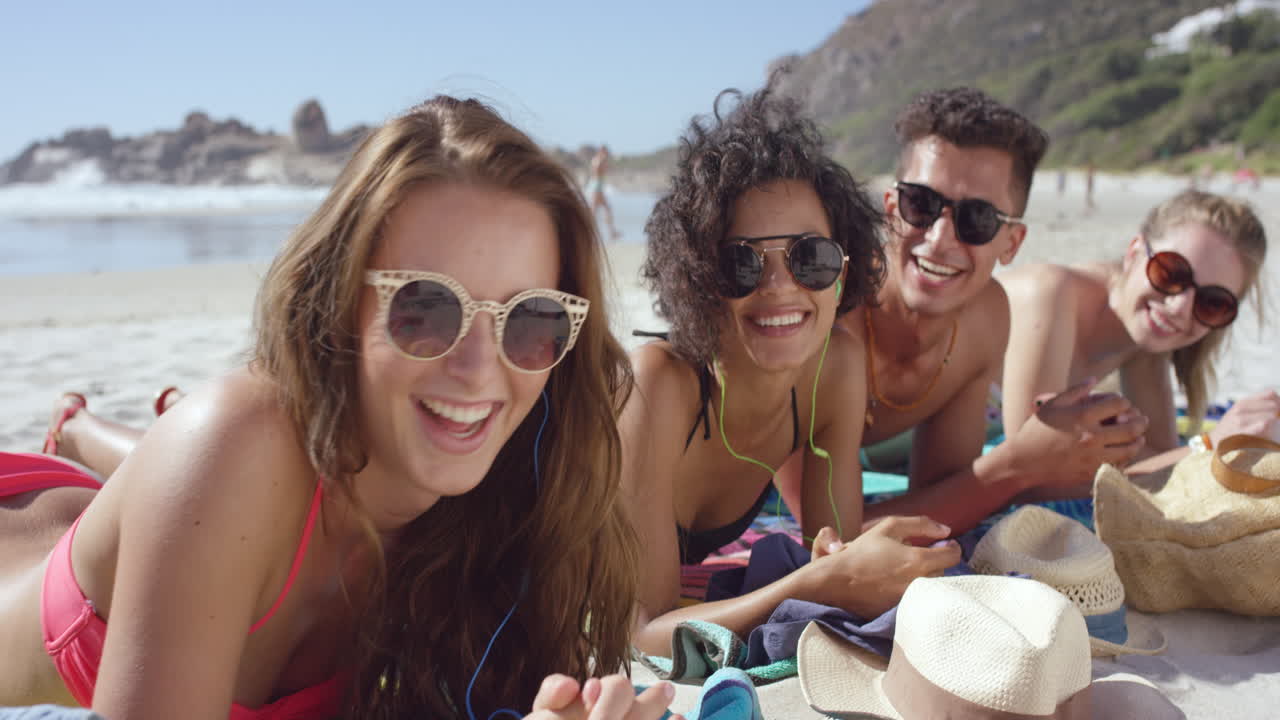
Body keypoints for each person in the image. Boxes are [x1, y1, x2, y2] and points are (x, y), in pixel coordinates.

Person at [1, 96, 675, 720]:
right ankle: (80, 428)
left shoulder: (514, 504)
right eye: (425, 307)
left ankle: (83, 433)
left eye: (530, 320)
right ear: (339, 301)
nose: (477, 370)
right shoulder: (232, 447)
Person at [624, 80, 960, 657]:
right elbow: (644, 635)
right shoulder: (659, 382)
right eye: (741, 264)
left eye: (810, 257)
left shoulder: (835, 367)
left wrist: (848, 565)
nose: (780, 287)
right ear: (698, 279)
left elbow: (837, 550)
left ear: (845, 268)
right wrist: (808, 584)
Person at [773, 87, 1148, 534]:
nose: (940, 238)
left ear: (1011, 243)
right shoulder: (823, 305)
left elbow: (940, 503)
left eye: (977, 220)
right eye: (921, 205)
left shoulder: (983, 320)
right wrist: (1021, 462)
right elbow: (829, 538)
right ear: (890, 209)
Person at [999, 189, 1276, 481]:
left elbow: (1159, 459)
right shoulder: (1049, 293)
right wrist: (1208, 445)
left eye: (1213, 302)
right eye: (1170, 274)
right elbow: (1028, 470)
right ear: (1133, 253)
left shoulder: (1143, 340)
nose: (1179, 307)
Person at [588, 145, 622, 240]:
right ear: (602, 151)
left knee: (601, 210)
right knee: (596, 211)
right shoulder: (598, 160)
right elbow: (596, 172)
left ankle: (612, 232)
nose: (607, 154)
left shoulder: (599, 160)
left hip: (597, 187)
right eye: (606, 152)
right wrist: (604, 166)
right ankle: (611, 232)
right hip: (596, 188)